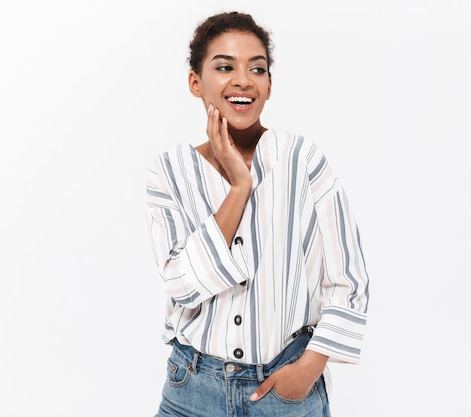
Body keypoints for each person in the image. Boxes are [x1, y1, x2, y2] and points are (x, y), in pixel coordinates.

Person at [146, 11, 369, 417]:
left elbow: (348, 279)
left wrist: (307, 369)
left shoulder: (302, 160)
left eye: (257, 68)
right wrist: (239, 186)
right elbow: (182, 284)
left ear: (268, 85)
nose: (243, 79)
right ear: (196, 82)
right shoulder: (169, 172)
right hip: (192, 390)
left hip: (286, 392)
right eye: (225, 66)